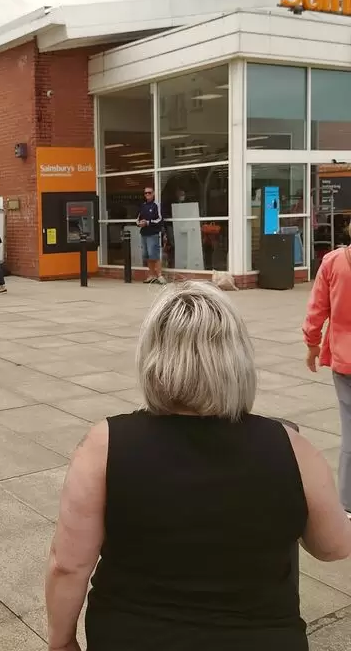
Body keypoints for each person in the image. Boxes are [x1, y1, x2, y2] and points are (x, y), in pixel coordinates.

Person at [46, 281, 351, 651]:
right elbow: (333, 546)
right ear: (237, 358)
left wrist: (61, 642)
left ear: (151, 356)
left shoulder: (104, 445)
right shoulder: (294, 449)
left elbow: (68, 565)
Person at [303, 244, 351, 518]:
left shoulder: (334, 262)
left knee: (349, 430)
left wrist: (312, 344)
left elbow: (317, 309)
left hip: (345, 359)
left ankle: (348, 502)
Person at [137, 185, 165, 284]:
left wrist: (148, 222)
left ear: (153, 194)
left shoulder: (156, 205)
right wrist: (139, 223)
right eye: (146, 193)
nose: (147, 194)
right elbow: (138, 218)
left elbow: (160, 219)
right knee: (147, 255)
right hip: (144, 233)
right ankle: (152, 275)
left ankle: (160, 276)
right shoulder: (143, 206)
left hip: (153, 234)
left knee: (154, 255)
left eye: (149, 192)